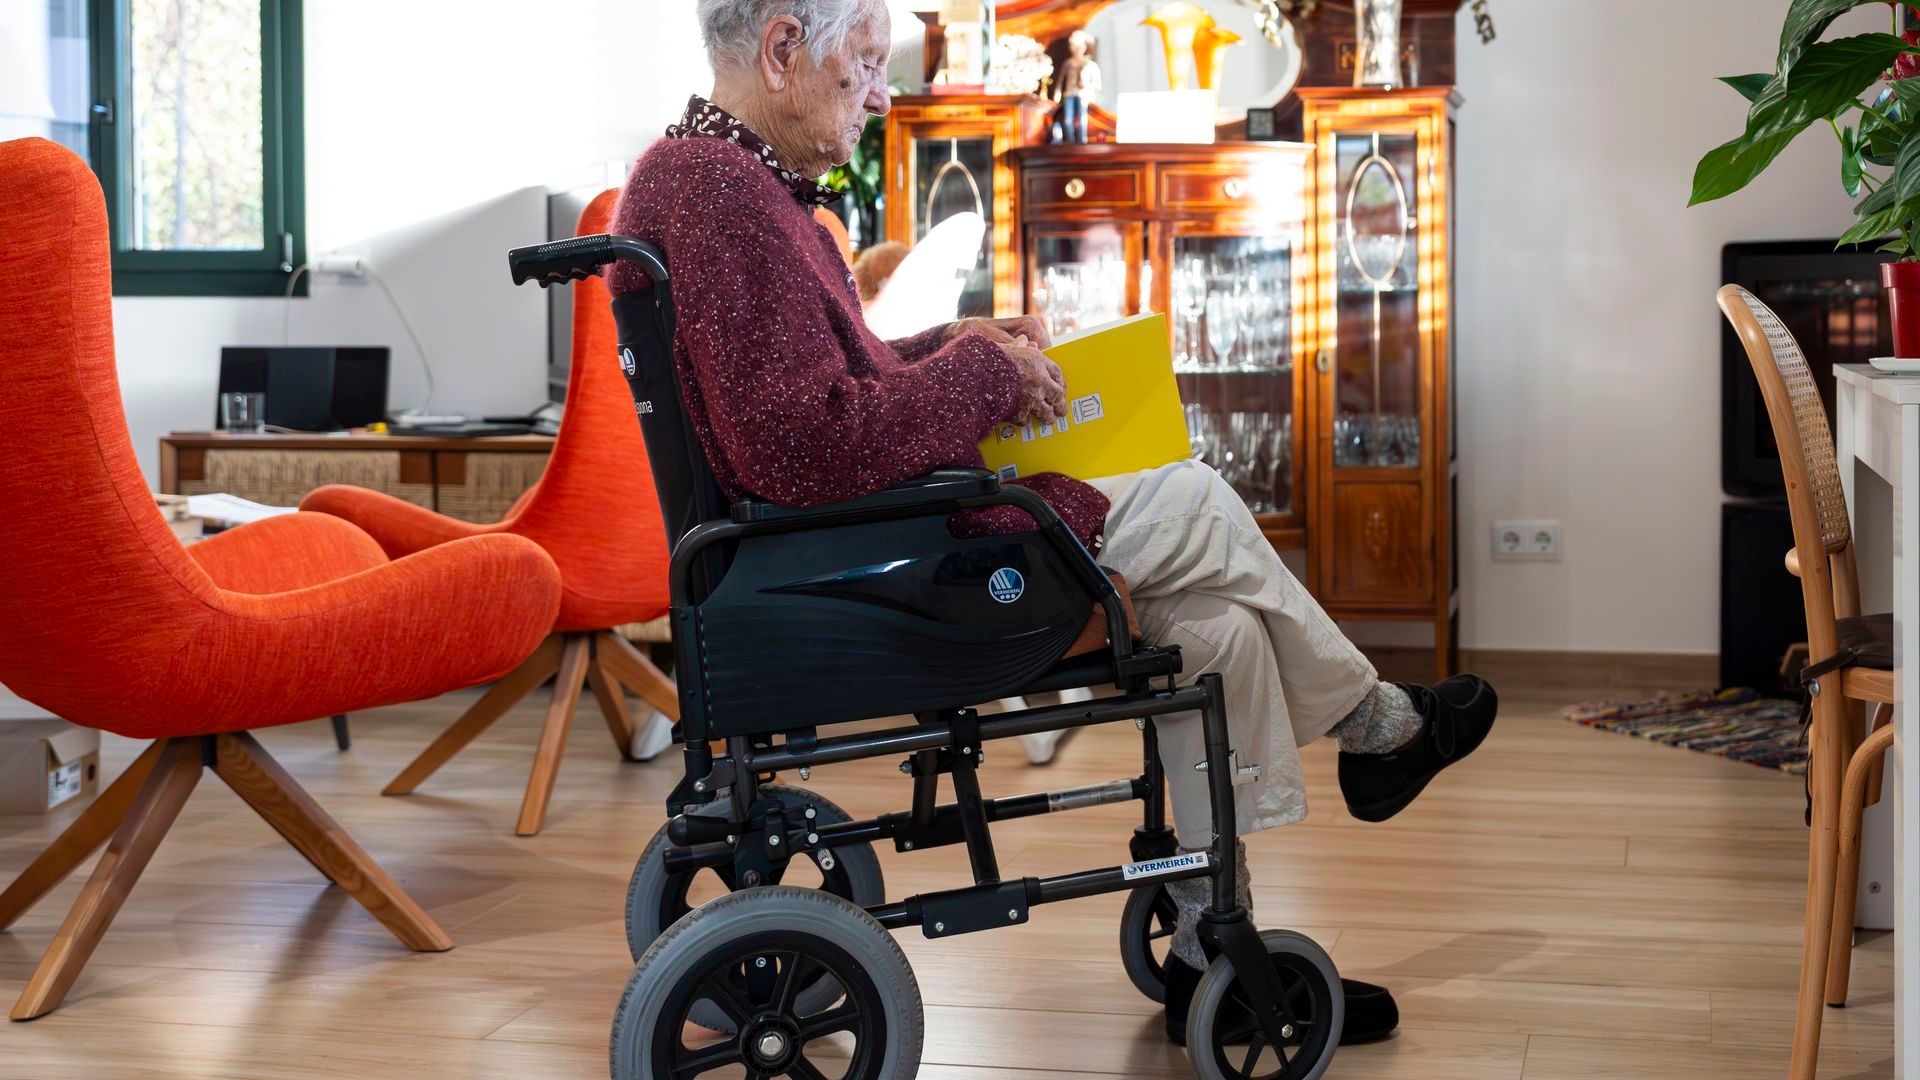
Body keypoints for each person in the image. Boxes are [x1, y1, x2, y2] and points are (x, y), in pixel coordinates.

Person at [608, 0, 1498, 1046]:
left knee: (1213, 631)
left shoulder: (719, 181)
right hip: (887, 574)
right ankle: (1379, 727)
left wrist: (963, 340)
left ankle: (1222, 938)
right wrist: (981, 372)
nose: (884, 94)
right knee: (1201, 498)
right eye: (864, 64)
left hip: (845, 552)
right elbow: (803, 445)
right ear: (783, 49)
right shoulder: (719, 193)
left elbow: (831, 391)